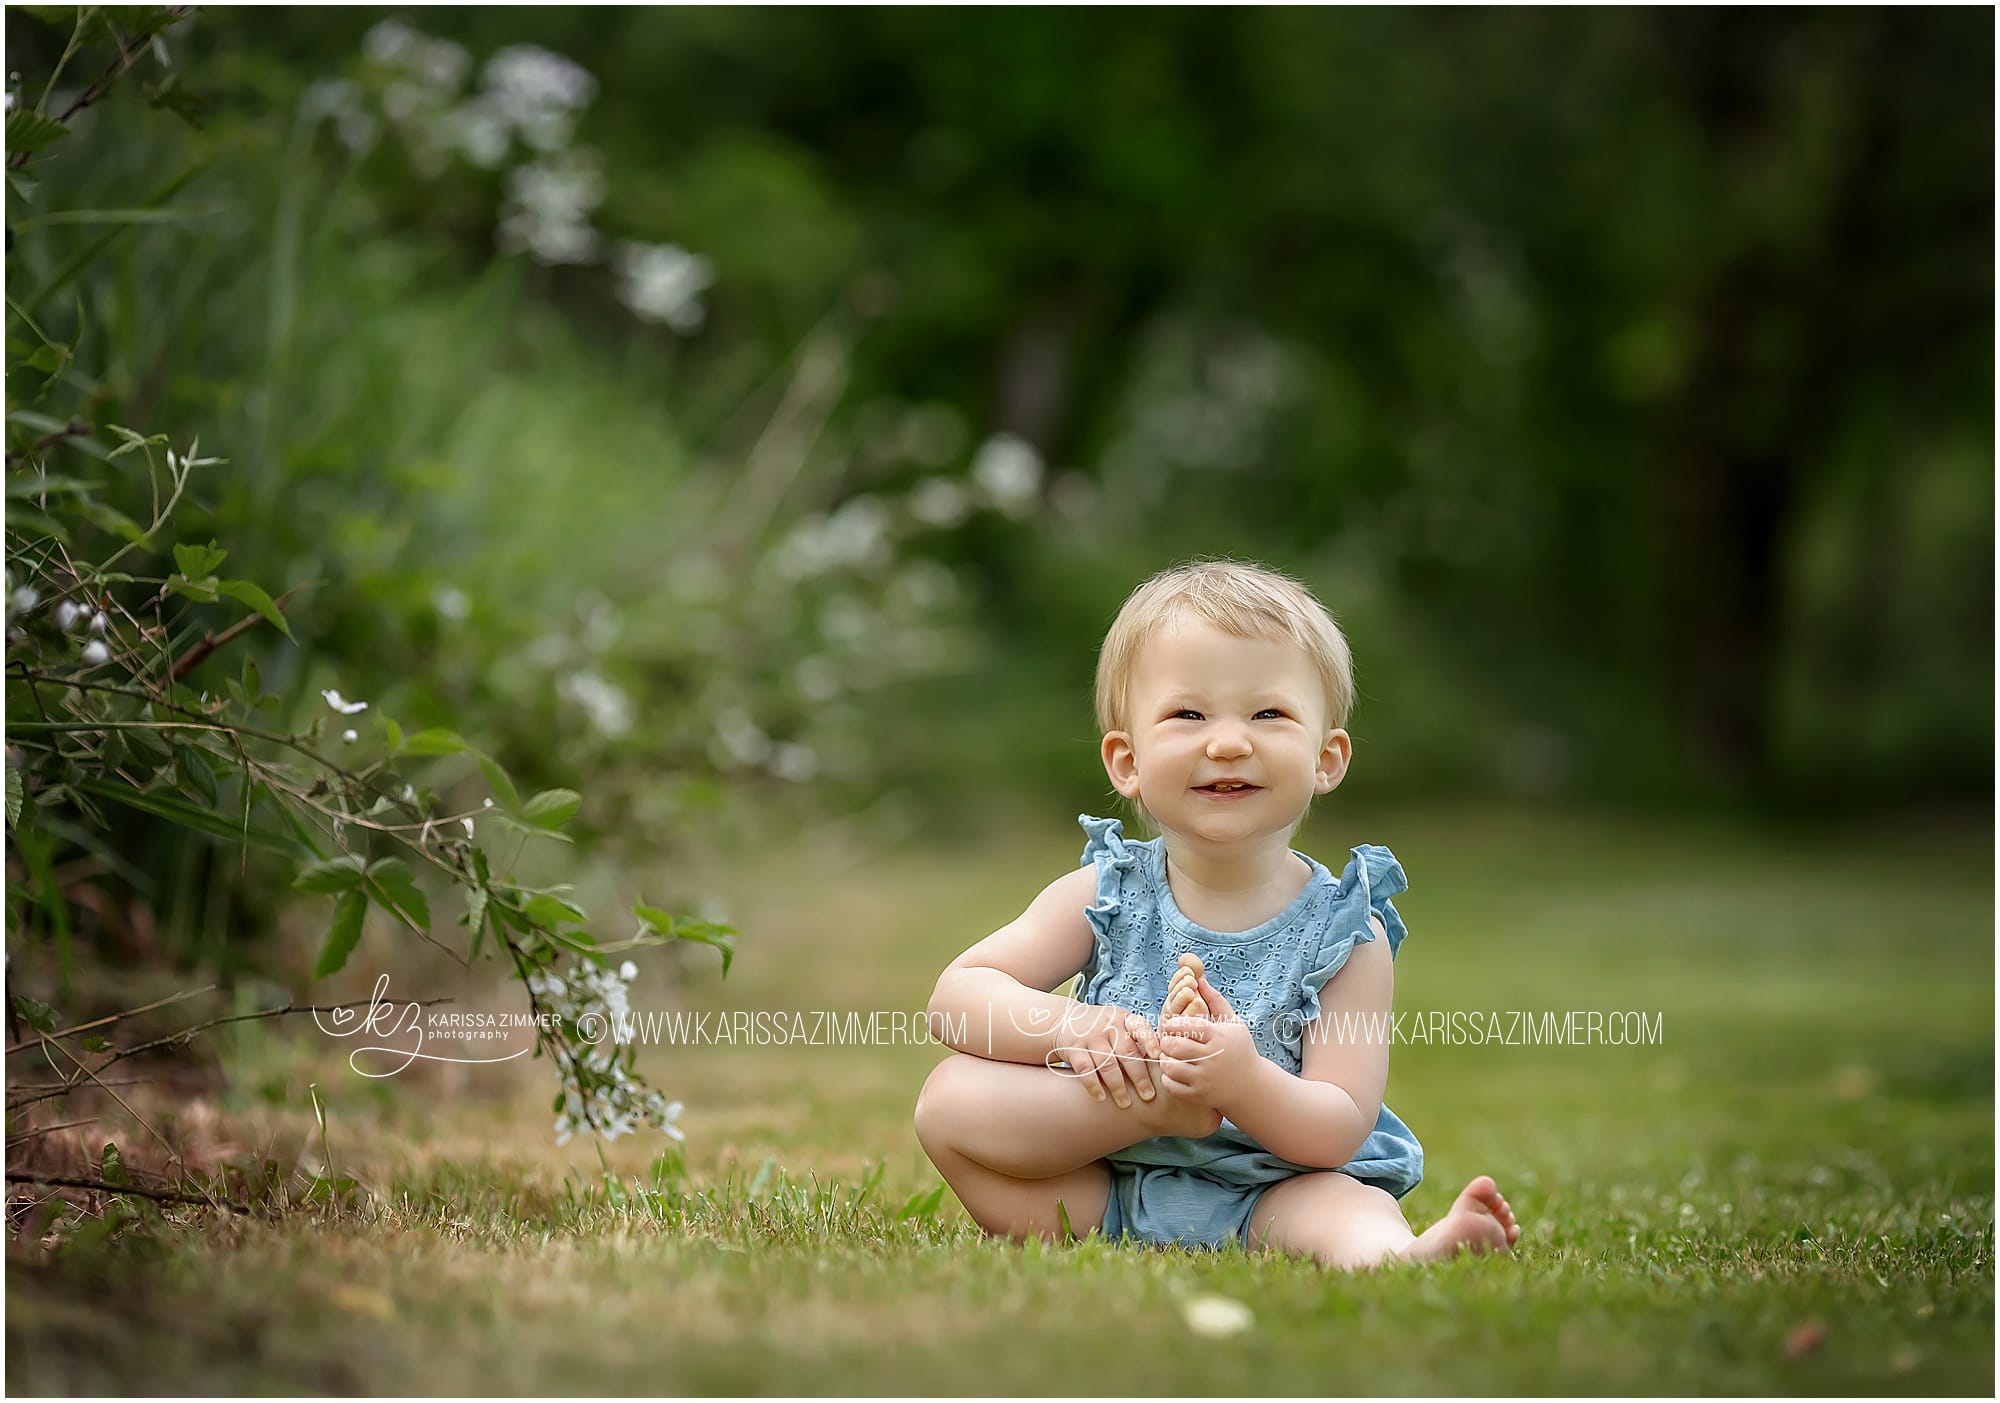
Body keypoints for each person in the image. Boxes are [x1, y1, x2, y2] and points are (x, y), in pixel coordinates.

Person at [914, 559, 1521, 1268]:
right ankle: (1158, 1112)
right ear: (1126, 761)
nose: (1228, 741)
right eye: (1188, 714)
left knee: (1351, 1206)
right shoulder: (1106, 891)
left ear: (1326, 758)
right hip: (1102, 1182)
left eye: (1268, 713)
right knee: (949, 1102)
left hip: (1276, 1190)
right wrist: (1078, 1028)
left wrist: (1243, 1083)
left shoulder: (1346, 931)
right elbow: (956, 1000)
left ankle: (1403, 1256)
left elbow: (1339, 1126)